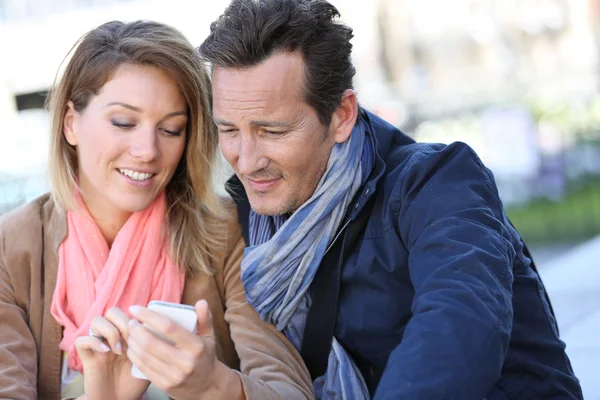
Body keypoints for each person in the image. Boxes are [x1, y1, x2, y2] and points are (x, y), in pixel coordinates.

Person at [198, 1, 584, 399]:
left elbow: (460, 320)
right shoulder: (250, 220)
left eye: (272, 131)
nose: (246, 161)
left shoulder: (437, 181)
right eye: (228, 129)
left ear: (342, 115)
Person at [0, 20, 314, 400]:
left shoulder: (232, 232)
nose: (148, 150)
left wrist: (212, 385)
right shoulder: (11, 248)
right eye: (123, 122)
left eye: (171, 129)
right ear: (70, 124)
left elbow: (290, 391)